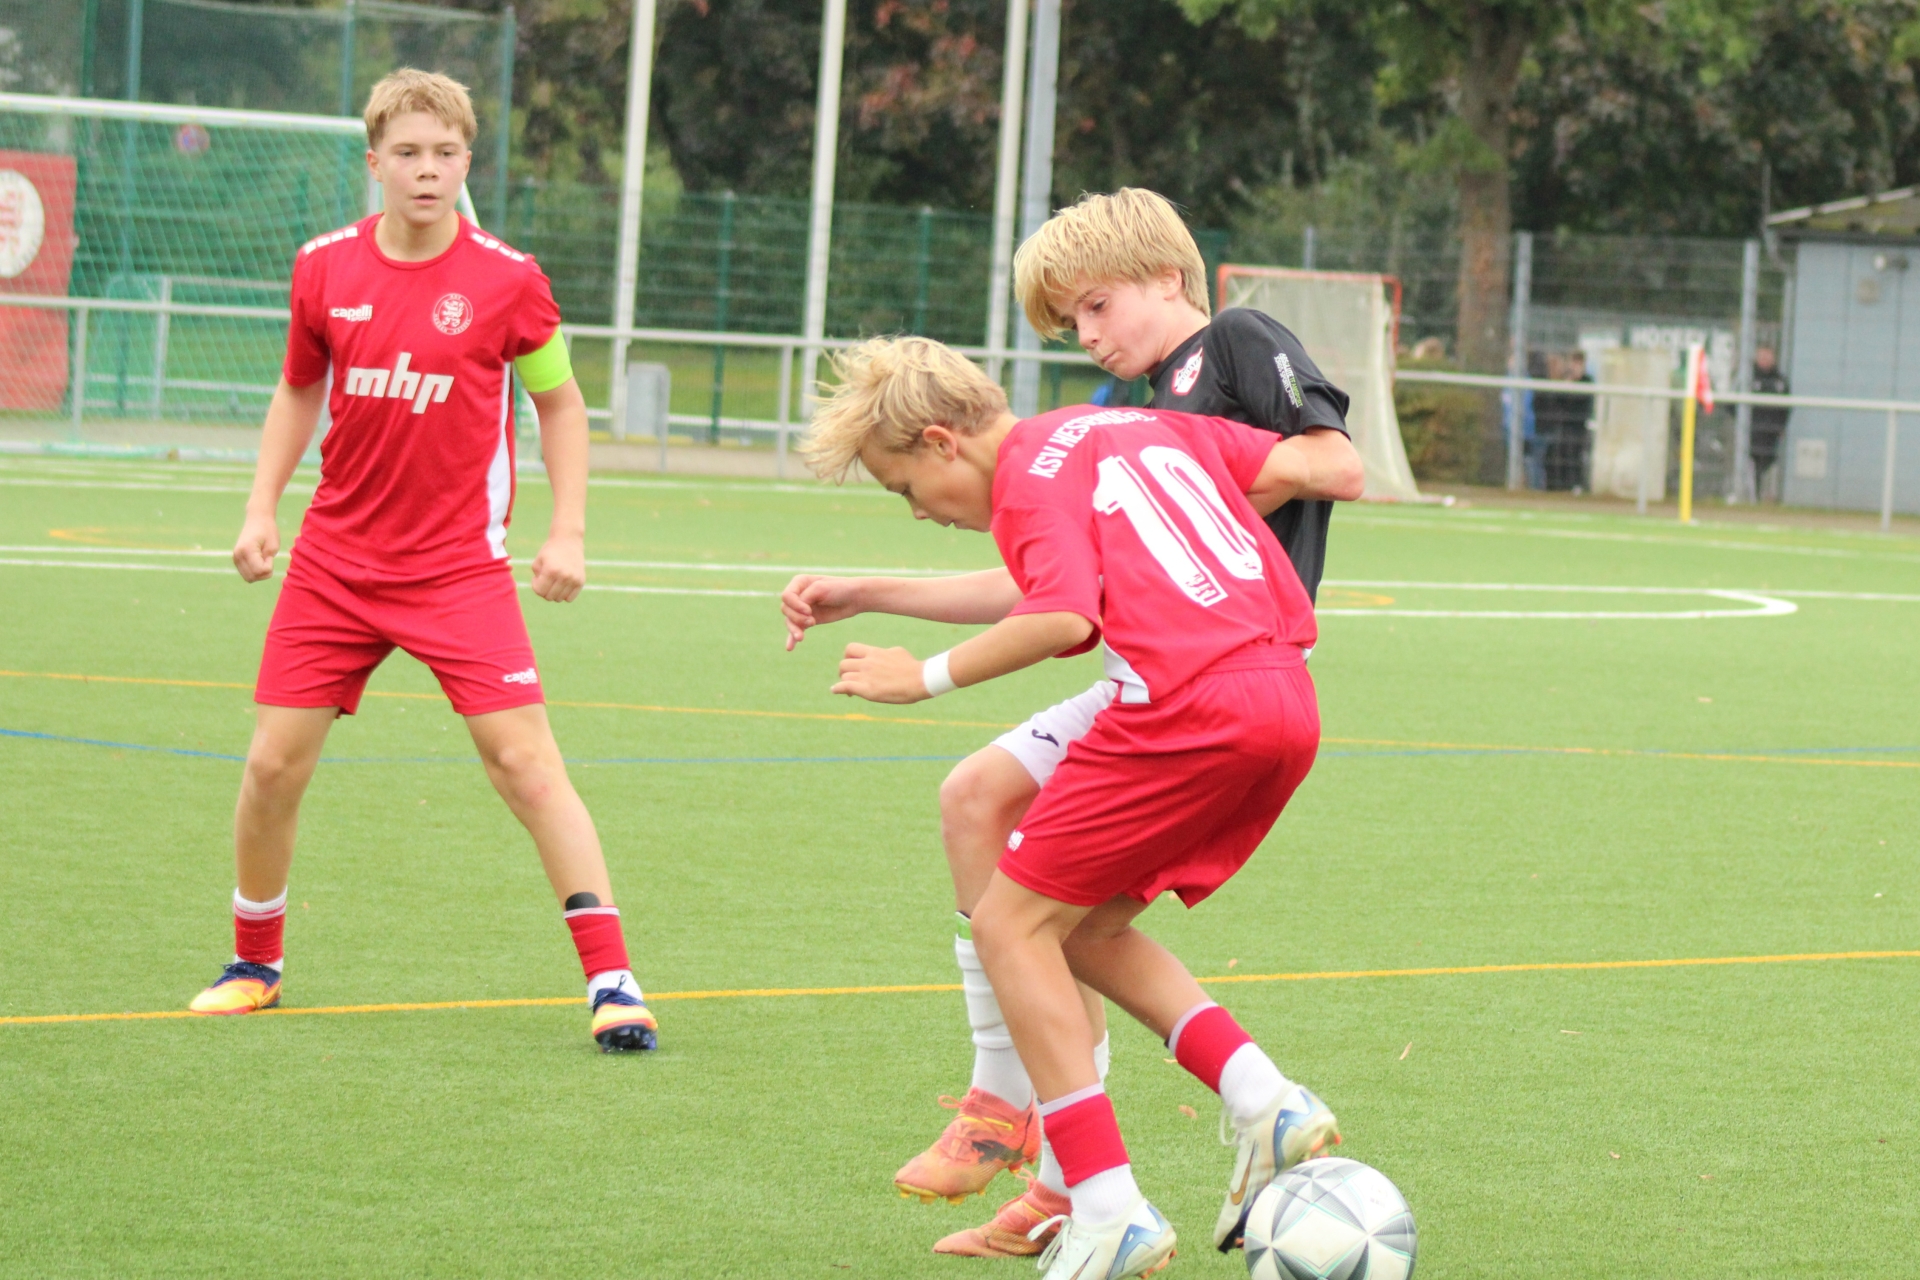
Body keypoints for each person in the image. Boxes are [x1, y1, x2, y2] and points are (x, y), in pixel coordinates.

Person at [780, 188, 1361, 1256]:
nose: (920, 511)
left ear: (942, 442)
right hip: (1283, 695)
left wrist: (923, 676)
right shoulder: (1138, 422)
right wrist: (876, 591)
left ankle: (1099, 1200)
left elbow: (1058, 615)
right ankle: (1263, 1100)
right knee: (1080, 923)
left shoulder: (1044, 464)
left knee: (1011, 924)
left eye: (907, 489)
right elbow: (1271, 472)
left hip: (1181, 701)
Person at [186, 69, 657, 1053]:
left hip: (457, 572)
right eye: (407, 152)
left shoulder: (509, 280)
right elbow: (297, 389)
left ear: (467, 162)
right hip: (333, 567)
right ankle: (254, 963)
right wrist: (260, 507)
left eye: (445, 153)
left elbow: (561, 403)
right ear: (375, 163)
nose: (427, 169)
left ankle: (613, 980)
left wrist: (568, 530)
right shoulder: (322, 268)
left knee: (526, 764)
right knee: (271, 764)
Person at [1749, 345, 1790, 499]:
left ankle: (1768, 498)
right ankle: (1750, 497)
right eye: (1762, 356)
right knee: (1751, 465)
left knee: (1770, 465)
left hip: (1771, 435)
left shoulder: (1780, 381)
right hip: (1752, 433)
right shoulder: (1748, 378)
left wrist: (1781, 427)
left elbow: (1786, 408)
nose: (1765, 360)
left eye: (1768, 357)